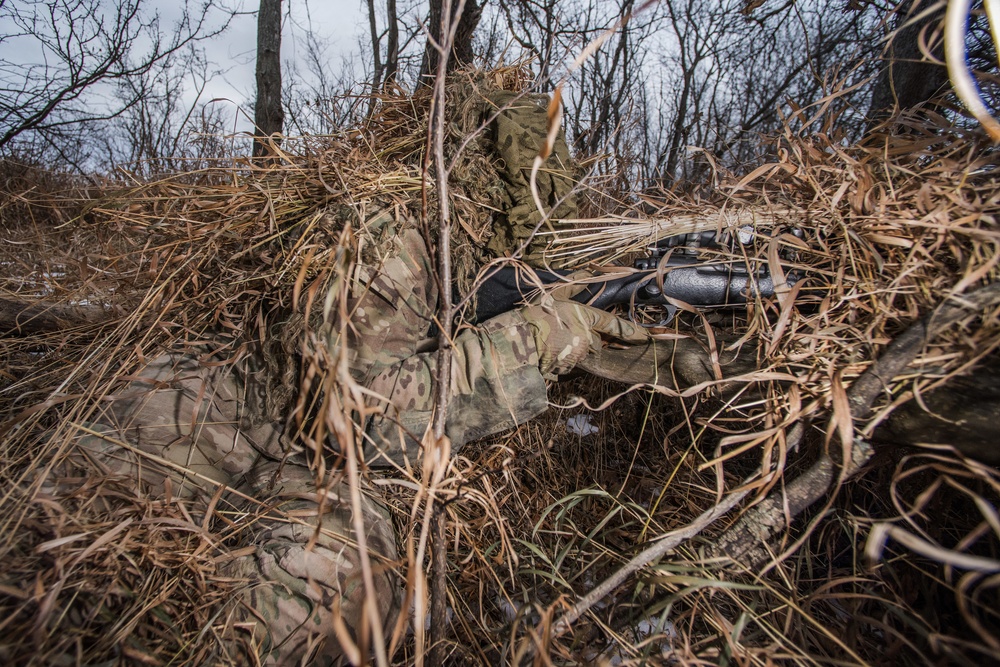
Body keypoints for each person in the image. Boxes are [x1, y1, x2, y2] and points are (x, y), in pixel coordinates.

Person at [54, 91, 652, 665]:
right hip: (205, 412)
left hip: (300, 466)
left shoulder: (469, 245)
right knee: (56, 571)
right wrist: (537, 341)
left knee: (343, 587)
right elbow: (347, 417)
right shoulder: (396, 238)